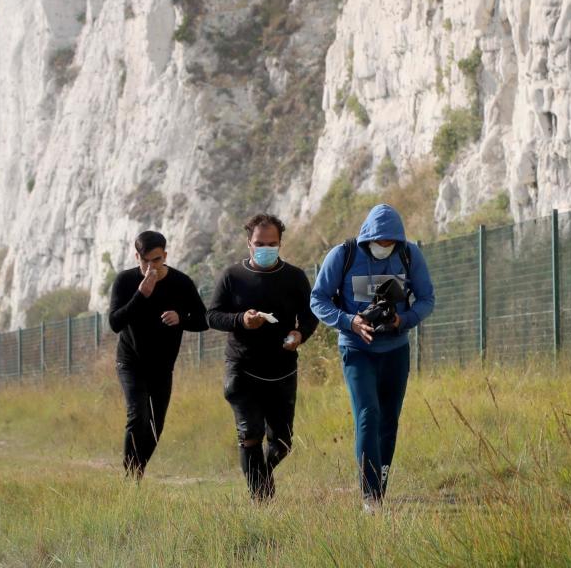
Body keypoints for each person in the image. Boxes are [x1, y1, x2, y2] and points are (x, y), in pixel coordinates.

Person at [310, 204, 435, 511]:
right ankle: (370, 497)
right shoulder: (343, 255)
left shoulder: (410, 255)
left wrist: (402, 320)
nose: (384, 246)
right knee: (368, 415)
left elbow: (427, 298)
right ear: (368, 237)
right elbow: (318, 299)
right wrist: (349, 321)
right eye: (380, 241)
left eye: (390, 242)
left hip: (395, 349)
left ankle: (379, 489)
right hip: (356, 349)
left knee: (389, 420)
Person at [206, 213, 318, 501]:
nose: (265, 248)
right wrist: (242, 319)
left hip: (282, 370)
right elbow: (213, 316)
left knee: (282, 444)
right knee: (250, 434)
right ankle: (261, 502)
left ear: (280, 244)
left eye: (272, 243)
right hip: (242, 368)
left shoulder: (294, 277)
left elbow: (309, 316)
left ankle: (262, 477)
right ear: (249, 243)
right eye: (259, 243)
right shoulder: (232, 276)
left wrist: (299, 335)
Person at [108, 230, 208, 479]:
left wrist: (181, 318)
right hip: (130, 361)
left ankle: (138, 469)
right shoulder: (125, 281)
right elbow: (114, 323)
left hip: (162, 366)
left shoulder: (182, 283)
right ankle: (131, 478)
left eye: (156, 260)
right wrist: (141, 295)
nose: (150, 266)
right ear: (136, 257)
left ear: (165, 255)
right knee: (137, 414)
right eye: (145, 261)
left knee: (155, 426)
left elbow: (203, 320)